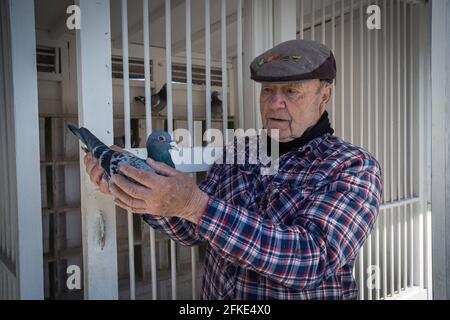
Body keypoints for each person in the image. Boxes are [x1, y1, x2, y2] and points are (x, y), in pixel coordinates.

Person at [84, 39, 382, 300]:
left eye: (291, 91)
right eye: (268, 90)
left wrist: (196, 205)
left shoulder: (352, 166)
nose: (274, 103)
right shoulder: (239, 151)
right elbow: (191, 230)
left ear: (324, 96)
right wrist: (140, 187)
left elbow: (311, 259)